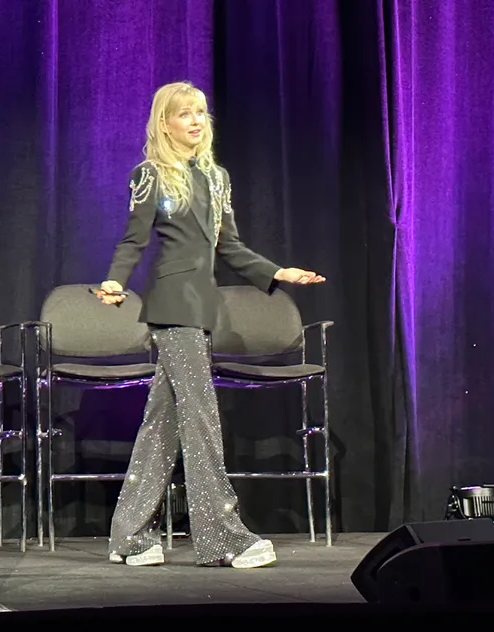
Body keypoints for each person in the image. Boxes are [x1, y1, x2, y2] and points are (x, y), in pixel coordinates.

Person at [95, 81, 325, 569]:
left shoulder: (216, 178)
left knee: (164, 423)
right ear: (165, 123)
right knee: (201, 421)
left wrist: (277, 272)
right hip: (172, 308)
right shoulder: (151, 175)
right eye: (184, 114)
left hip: (202, 308)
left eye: (201, 112)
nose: (196, 121)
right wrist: (114, 282)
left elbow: (231, 248)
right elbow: (132, 242)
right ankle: (223, 539)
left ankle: (129, 538)